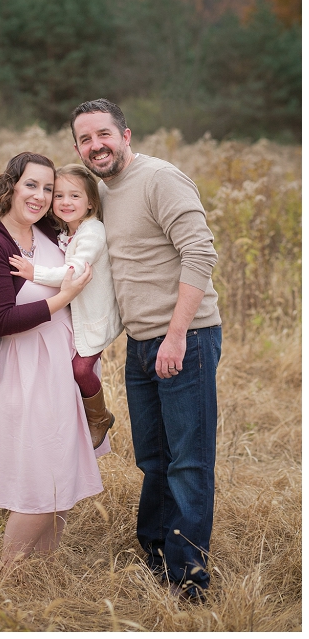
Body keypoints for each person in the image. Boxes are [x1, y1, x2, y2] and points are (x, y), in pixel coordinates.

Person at [70, 98, 222, 601]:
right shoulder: (105, 194)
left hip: (185, 339)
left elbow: (201, 252)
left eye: (103, 135)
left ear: (126, 135)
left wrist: (177, 335)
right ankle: (155, 555)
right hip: (141, 346)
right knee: (153, 459)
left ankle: (189, 582)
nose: (96, 146)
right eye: (85, 140)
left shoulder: (161, 179)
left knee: (188, 461)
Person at [0, 151, 102, 572]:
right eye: (32, 185)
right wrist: (64, 298)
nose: (41, 196)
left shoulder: (50, 231)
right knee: (42, 480)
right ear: (9, 186)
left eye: (48, 188)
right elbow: (0, 320)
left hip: (61, 365)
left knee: (62, 478)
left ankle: (37, 582)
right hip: (25, 372)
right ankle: (4, 580)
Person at [8, 163, 123, 448]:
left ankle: (99, 417)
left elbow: (73, 272)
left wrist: (34, 273)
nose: (65, 202)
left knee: (81, 370)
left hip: (95, 318)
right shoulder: (69, 230)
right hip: (78, 317)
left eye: (74, 196)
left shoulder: (92, 232)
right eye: (58, 196)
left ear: (90, 203)